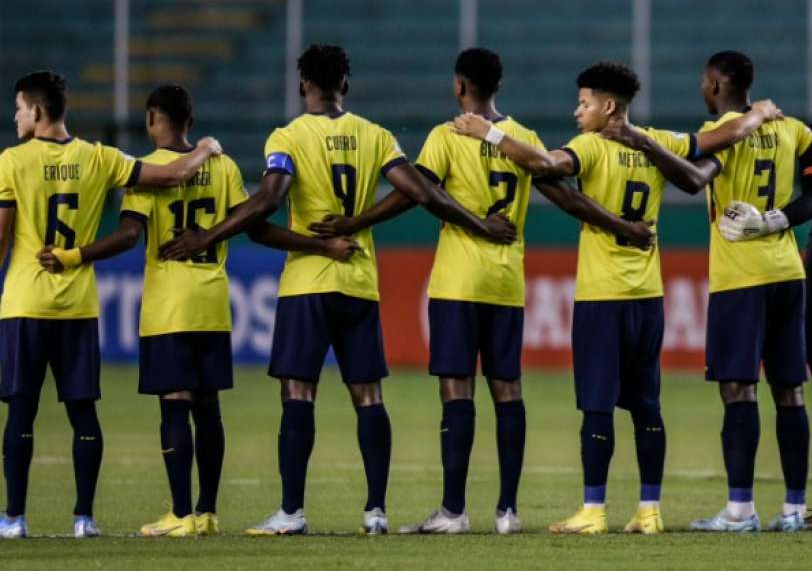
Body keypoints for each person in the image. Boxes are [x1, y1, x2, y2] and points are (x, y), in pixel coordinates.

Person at [159, 44, 517, 536]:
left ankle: (291, 512)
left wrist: (208, 235)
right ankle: (376, 512)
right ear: (345, 85)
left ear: (302, 84)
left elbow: (270, 198)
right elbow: (419, 191)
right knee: (368, 396)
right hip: (359, 280)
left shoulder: (288, 136)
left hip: (308, 282)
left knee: (297, 394)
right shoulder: (375, 135)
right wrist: (475, 222)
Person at [308, 48, 654, 535]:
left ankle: (453, 511)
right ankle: (508, 511)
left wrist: (356, 221)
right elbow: (569, 198)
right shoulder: (525, 139)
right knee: (508, 390)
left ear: (459, 85)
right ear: (499, 86)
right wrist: (623, 226)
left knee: (456, 390)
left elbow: (418, 192)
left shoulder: (446, 135)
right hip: (507, 283)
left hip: (458, 280)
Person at [453, 59, 781, 535]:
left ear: (608, 107)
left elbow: (546, 166)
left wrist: (490, 134)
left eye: (584, 103)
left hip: (602, 296)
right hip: (649, 294)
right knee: (647, 406)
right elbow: (720, 140)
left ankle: (593, 510)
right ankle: (650, 511)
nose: (576, 112)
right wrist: (760, 114)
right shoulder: (660, 141)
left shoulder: (589, 147)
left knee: (597, 406)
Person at [37, 83, 358, 537]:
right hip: (213, 302)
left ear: (153, 119)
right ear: (190, 120)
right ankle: (207, 512)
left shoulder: (148, 172)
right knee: (209, 408)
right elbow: (251, 223)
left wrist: (76, 256)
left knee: (175, 405)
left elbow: (129, 236)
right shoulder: (223, 166)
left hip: (169, 304)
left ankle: (181, 514)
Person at [597, 50, 812, 532]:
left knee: (739, 390)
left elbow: (694, 179)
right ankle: (795, 510)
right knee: (791, 392)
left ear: (716, 85)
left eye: (703, 80)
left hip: (740, 279)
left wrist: (648, 147)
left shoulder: (726, 133)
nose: (701, 87)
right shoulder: (791, 128)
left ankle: (740, 511)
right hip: (787, 273)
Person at [0, 71, 222, 539]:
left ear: (37, 111)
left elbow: (1, 238)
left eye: (19, 107)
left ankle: (15, 518)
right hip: (79, 305)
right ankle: (84, 518)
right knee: (84, 414)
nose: (16, 115)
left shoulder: (10, 161)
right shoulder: (100, 158)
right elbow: (173, 173)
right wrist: (205, 148)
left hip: (24, 302)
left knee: (21, 411)